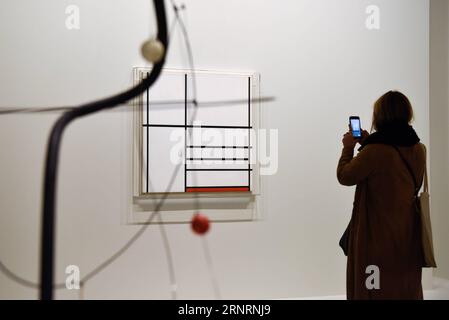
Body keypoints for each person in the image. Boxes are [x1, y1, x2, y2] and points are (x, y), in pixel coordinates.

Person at [337, 91, 426, 300]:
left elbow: (345, 176)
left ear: (380, 116)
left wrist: (348, 148)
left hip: (377, 235)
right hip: (407, 232)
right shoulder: (419, 148)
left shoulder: (376, 151)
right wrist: (367, 143)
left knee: (374, 285)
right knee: (403, 283)